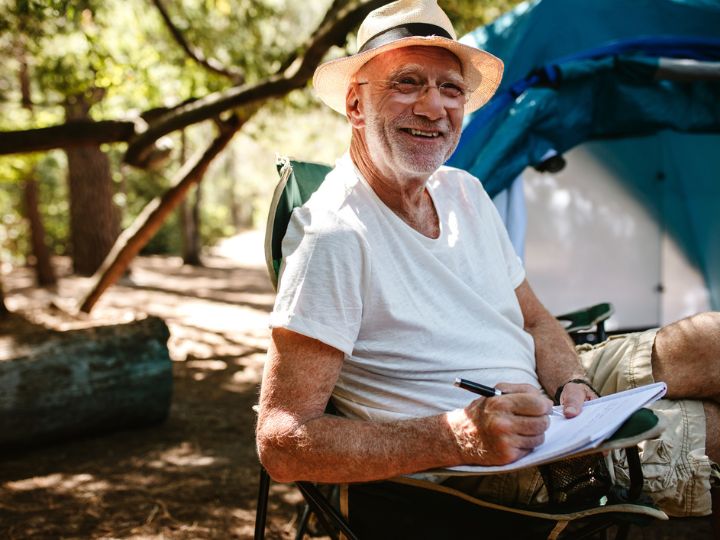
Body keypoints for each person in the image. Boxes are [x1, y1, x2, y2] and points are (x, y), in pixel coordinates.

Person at [255, 0, 720, 518]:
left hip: (555, 395)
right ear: (357, 105)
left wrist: (572, 381)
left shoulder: (464, 192)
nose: (435, 108)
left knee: (713, 339)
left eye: (451, 88)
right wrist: (458, 437)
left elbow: (536, 319)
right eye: (407, 82)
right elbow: (282, 442)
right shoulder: (334, 234)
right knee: (715, 426)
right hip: (501, 454)